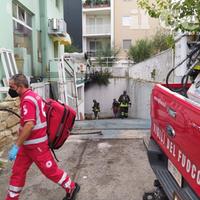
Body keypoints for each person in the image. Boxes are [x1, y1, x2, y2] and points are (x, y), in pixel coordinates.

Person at [5, 74, 80, 200]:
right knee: (18, 172)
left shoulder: (28, 100)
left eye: (12, 87)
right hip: (27, 146)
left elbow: (29, 124)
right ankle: (11, 197)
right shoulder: (32, 96)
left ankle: (71, 187)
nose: (10, 90)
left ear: (20, 86)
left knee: (50, 171)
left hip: (37, 146)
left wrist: (16, 146)